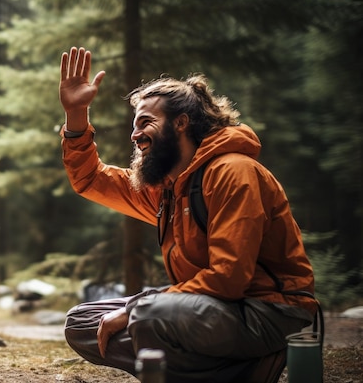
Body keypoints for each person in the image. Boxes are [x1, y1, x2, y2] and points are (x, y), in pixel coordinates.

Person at [59, 47, 318, 382]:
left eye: (146, 122)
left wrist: (136, 309)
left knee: (148, 315)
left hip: (268, 311)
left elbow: (228, 278)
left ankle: (225, 368)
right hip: (215, 309)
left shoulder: (233, 172)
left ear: (181, 123)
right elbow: (91, 179)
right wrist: (77, 114)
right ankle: (242, 370)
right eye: (134, 125)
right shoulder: (168, 188)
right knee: (81, 324)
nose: (135, 135)